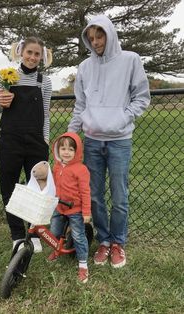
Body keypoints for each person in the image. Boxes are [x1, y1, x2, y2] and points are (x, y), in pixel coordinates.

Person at [68, 15, 150, 268]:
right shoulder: (84, 67)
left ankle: (118, 243)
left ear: (110, 34)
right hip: (92, 141)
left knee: (120, 196)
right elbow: (80, 104)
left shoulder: (130, 60)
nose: (95, 42)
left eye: (100, 36)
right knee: (94, 197)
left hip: (119, 141)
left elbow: (142, 98)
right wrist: (71, 134)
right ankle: (103, 241)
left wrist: (122, 118)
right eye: (91, 38)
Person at [0, 37, 53, 253]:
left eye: (37, 54)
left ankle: (33, 232)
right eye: (29, 52)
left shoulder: (44, 82)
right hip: (9, 140)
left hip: (36, 142)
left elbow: (45, 114)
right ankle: (17, 235)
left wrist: (45, 141)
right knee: (8, 187)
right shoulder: (6, 77)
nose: (33, 57)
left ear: (41, 56)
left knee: (36, 189)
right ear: (21, 52)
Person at [48, 132, 91, 283]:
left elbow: (86, 192)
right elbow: (53, 185)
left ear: (77, 151)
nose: (66, 152)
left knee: (78, 236)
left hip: (75, 209)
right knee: (54, 232)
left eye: (71, 149)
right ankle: (57, 250)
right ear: (57, 150)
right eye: (63, 149)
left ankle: (83, 265)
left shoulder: (81, 169)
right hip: (59, 207)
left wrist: (86, 212)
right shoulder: (57, 167)